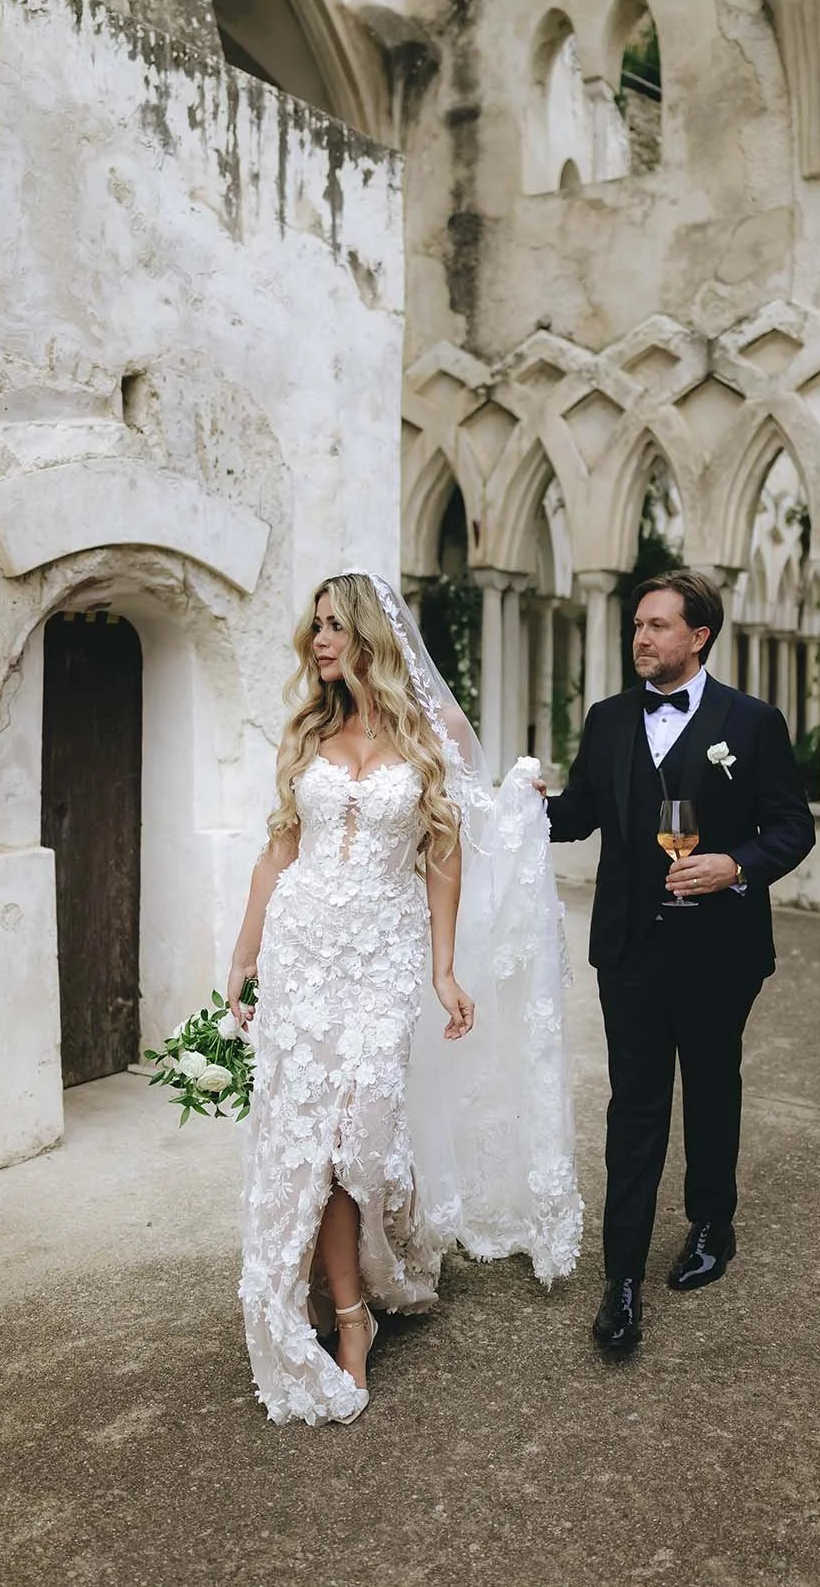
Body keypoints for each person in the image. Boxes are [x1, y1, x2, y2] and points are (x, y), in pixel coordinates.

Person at [226, 572, 581, 1426]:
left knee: (359, 1133)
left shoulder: (431, 732)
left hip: (383, 958)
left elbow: (448, 853)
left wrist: (444, 967)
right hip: (303, 950)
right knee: (312, 1137)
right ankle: (349, 1316)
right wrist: (243, 956)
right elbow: (278, 855)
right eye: (314, 627)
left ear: (372, 637)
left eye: (335, 627)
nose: (319, 641)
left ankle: (349, 1283)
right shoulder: (308, 730)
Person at [545, 569, 815, 1356]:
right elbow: (577, 815)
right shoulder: (608, 720)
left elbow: (791, 827)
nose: (641, 638)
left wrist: (735, 863)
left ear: (698, 637)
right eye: (637, 625)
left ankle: (710, 1225)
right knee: (633, 1107)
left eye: (658, 626)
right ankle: (620, 1276)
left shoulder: (753, 722)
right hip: (628, 950)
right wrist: (520, 803)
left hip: (719, 950)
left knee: (711, 1088)